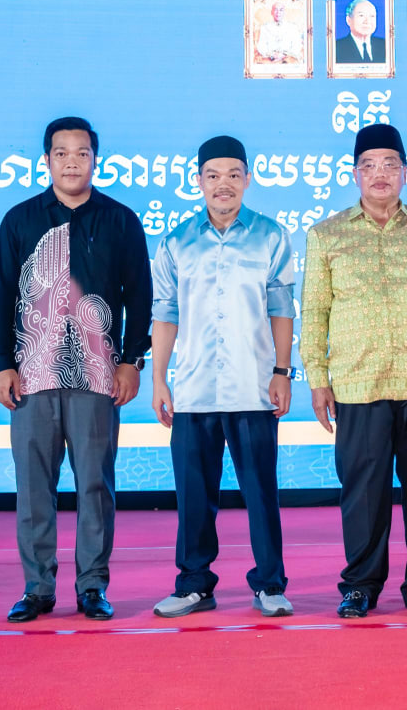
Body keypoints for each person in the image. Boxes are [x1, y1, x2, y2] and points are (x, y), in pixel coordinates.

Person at [300, 123, 407, 619]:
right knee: (363, 492)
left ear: (405, 171)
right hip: (358, 382)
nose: (380, 175)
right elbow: (315, 311)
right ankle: (360, 585)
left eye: (390, 165)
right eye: (369, 166)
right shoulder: (326, 234)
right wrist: (318, 378)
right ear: (355, 173)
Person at [0, 116, 152, 623]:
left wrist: (131, 360)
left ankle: (92, 586)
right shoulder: (19, 220)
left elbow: (140, 296)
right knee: (34, 487)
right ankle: (37, 589)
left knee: (95, 485)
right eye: (62, 153)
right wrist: (0, 363)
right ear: (47, 160)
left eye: (82, 153)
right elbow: (0, 294)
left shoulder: (120, 220)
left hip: (98, 377)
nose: (72, 162)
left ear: (95, 160)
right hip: (32, 375)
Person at [149, 136, 297, 619]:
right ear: (199, 181)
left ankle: (270, 584)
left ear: (247, 179)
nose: (223, 184)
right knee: (193, 496)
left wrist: (282, 372)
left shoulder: (270, 236)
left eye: (234, 174)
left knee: (261, 493)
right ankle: (194, 584)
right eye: (213, 176)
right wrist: (160, 380)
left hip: (253, 387)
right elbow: (165, 312)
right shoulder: (176, 242)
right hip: (193, 390)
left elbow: (281, 308)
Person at [334, 0, 386, 64]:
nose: (367, 21)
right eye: (361, 15)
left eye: (372, 16)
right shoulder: (336, 48)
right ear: (348, 20)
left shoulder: (385, 45)